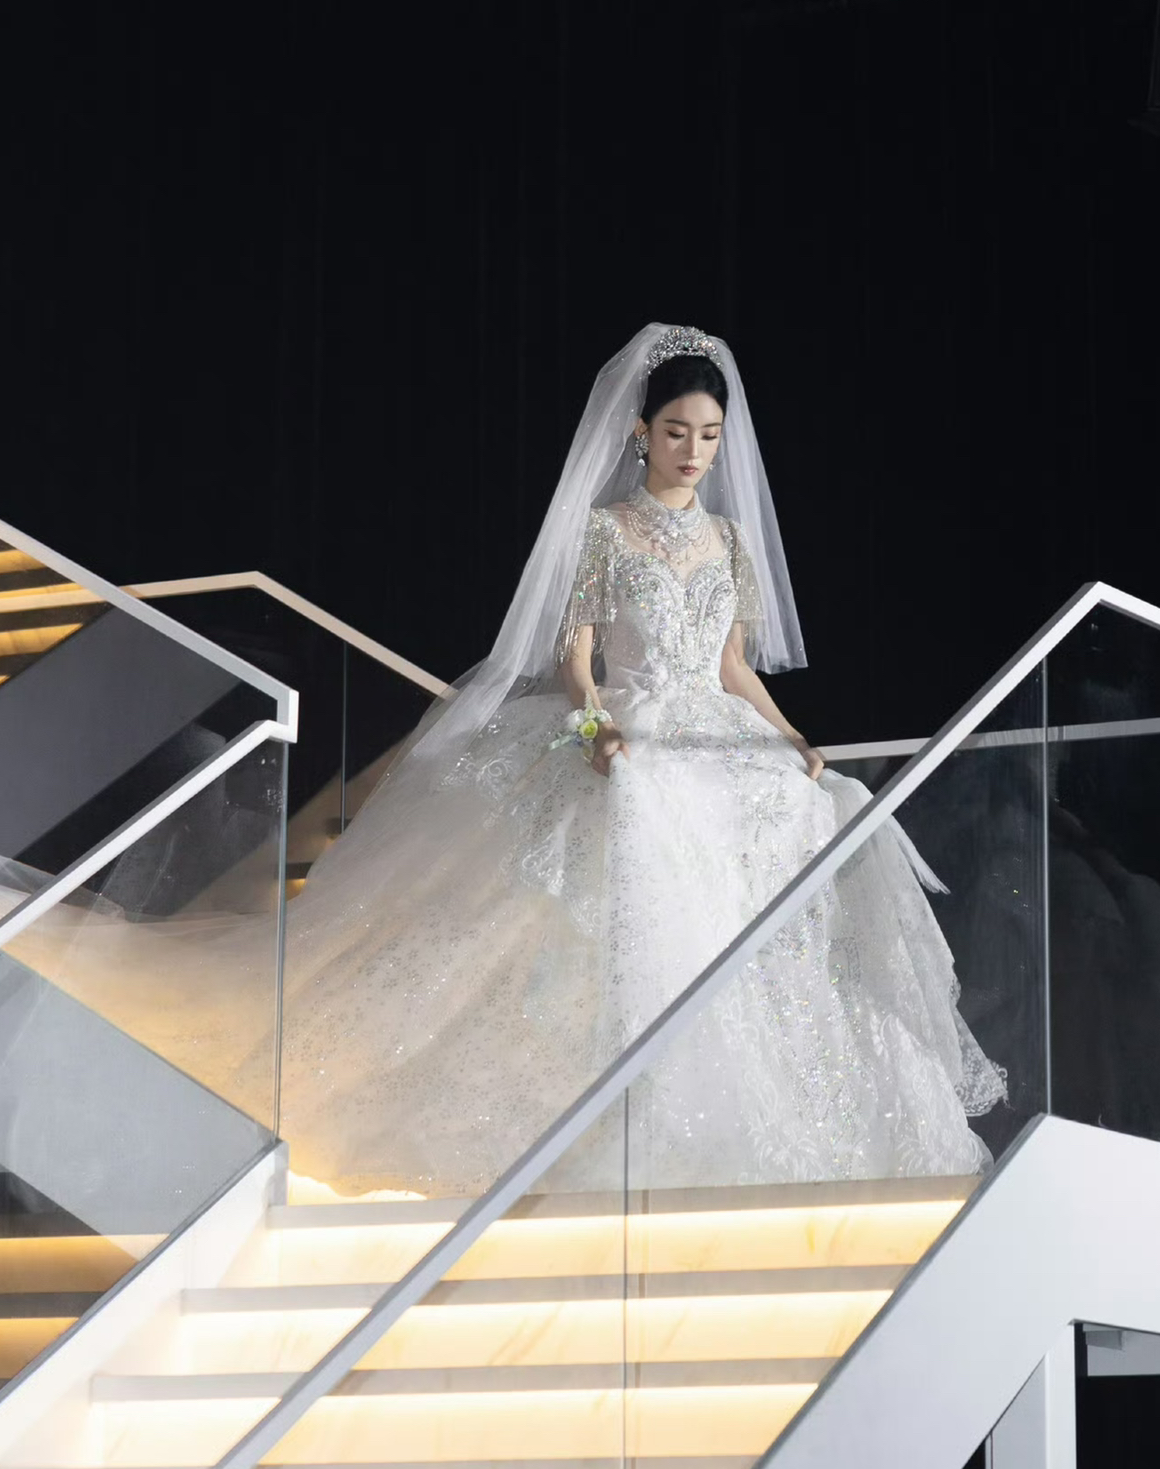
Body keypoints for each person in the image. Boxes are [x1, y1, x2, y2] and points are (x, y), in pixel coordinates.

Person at [272, 321, 1004, 1197]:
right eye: (676, 432)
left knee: (818, 817)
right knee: (638, 816)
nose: (694, 452)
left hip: (719, 731)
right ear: (640, 432)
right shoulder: (605, 533)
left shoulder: (731, 540)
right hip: (633, 722)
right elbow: (575, 658)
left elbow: (733, 668)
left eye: (710, 436)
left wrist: (790, 736)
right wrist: (594, 730)